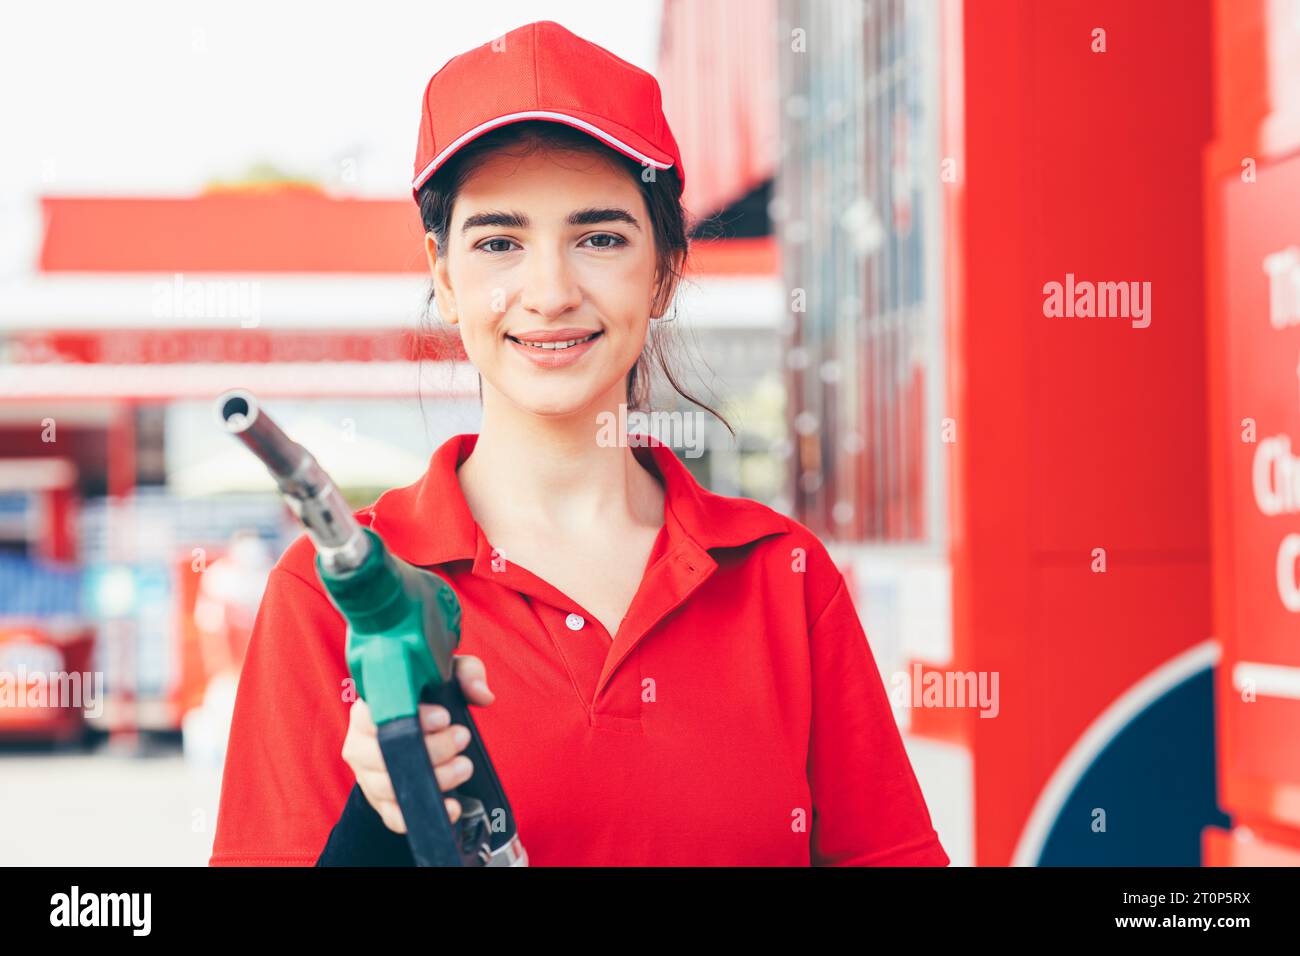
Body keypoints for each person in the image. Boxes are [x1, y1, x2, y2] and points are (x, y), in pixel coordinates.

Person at [209, 19, 949, 867]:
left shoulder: (783, 576)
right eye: (498, 243)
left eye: (599, 238)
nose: (551, 291)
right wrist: (373, 839)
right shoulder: (335, 594)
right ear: (445, 279)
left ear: (665, 269)